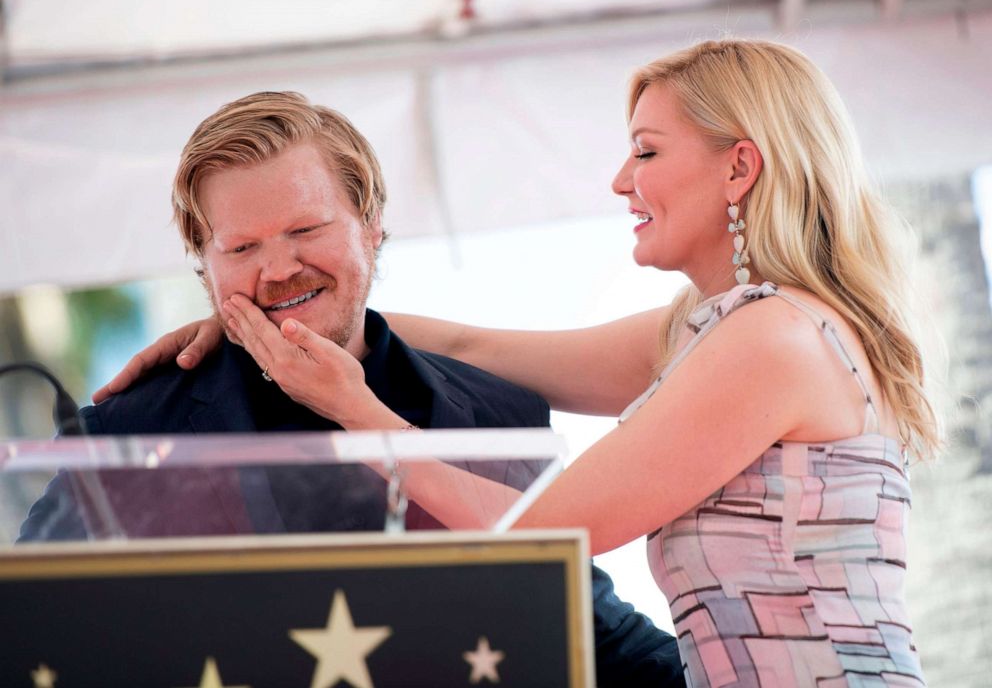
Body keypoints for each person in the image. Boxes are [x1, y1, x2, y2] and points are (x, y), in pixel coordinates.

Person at [106, 39, 941, 685]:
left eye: (647, 151)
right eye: (243, 244)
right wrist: (260, 313)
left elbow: (544, 534)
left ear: (741, 167)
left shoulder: (773, 343)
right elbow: (475, 347)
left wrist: (355, 406)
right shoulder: (713, 330)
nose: (620, 179)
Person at [19, 91, 684, 686]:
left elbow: (591, 637)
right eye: (241, 248)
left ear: (370, 224)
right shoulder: (125, 434)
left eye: (305, 230)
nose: (279, 268)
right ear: (204, 265)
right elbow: (25, 635)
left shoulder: (497, 413)